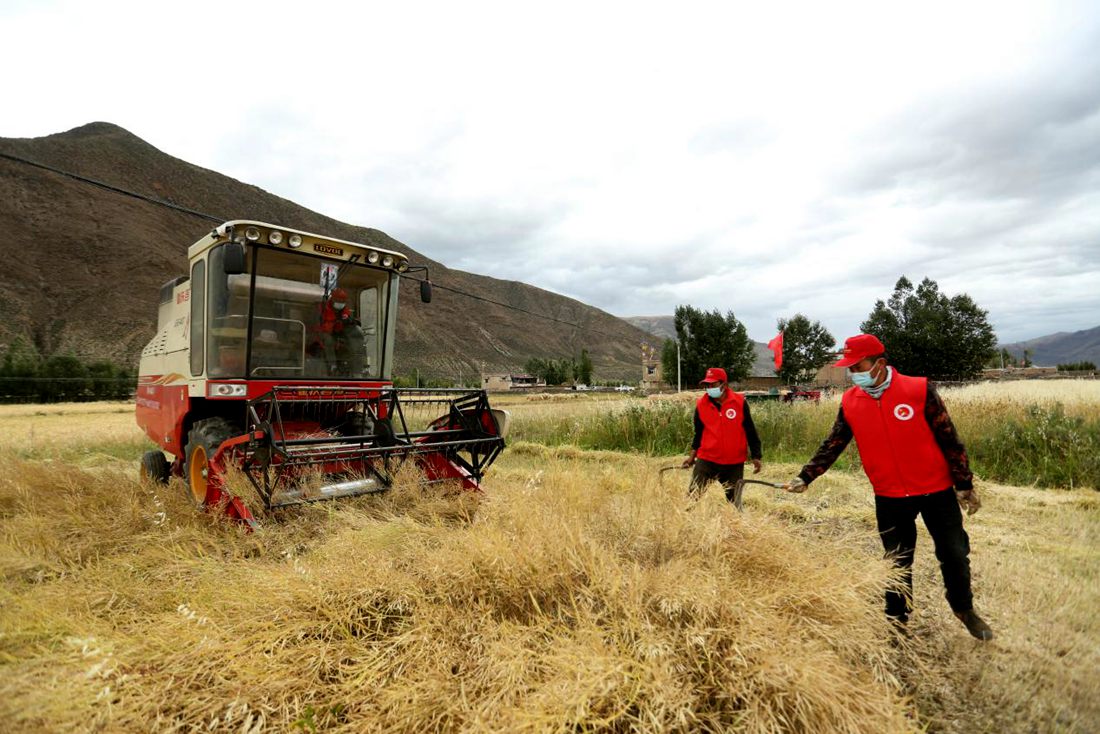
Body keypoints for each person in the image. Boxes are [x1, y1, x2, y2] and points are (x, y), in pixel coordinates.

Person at [783, 334, 993, 640]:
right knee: (896, 561)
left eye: (859, 366)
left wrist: (963, 483)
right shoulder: (851, 402)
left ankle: (964, 609)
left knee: (955, 553)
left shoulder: (919, 390)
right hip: (890, 496)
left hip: (935, 490)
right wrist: (806, 476)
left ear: (880, 363)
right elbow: (834, 442)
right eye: (850, 369)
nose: (854, 374)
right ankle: (896, 621)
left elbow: (949, 437)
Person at [682, 367, 763, 509]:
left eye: (712, 385)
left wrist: (756, 456)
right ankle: (684, 527)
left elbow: (750, 430)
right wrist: (692, 457)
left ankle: (736, 529)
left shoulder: (739, 402)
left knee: (734, 505)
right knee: (691, 499)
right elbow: (698, 434)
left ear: (724, 385)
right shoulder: (701, 405)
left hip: (734, 463)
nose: (709, 388)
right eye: (707, 385)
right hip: (707, 460)